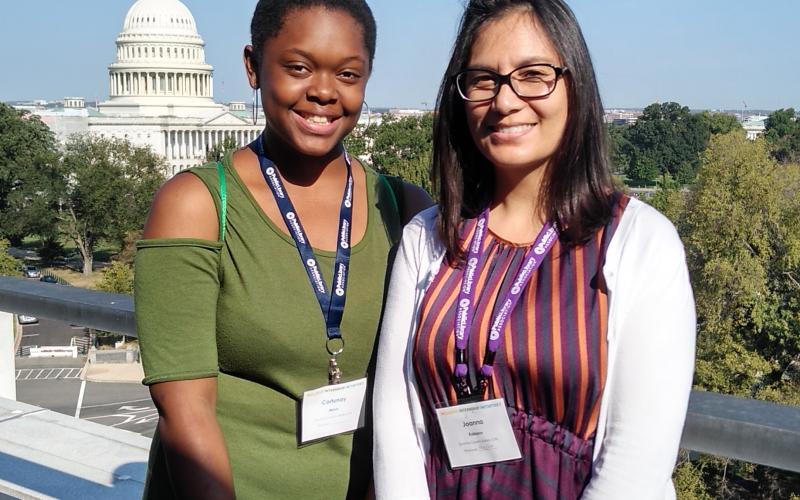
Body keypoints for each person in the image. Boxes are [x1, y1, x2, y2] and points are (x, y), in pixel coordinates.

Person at [372, 0, 696, 499]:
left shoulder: (640, 242)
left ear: (575, 84)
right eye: (483, 79)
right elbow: (396, 422)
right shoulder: (427, 239)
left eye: (533, 74)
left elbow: (636, 467)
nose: (505, 101)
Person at [134, 1, 431, 498]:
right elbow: (184, 410)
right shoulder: (197, 205)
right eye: (298, 67)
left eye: (348, 74)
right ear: (253, 66)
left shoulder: (401, 209)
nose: (323, 91)